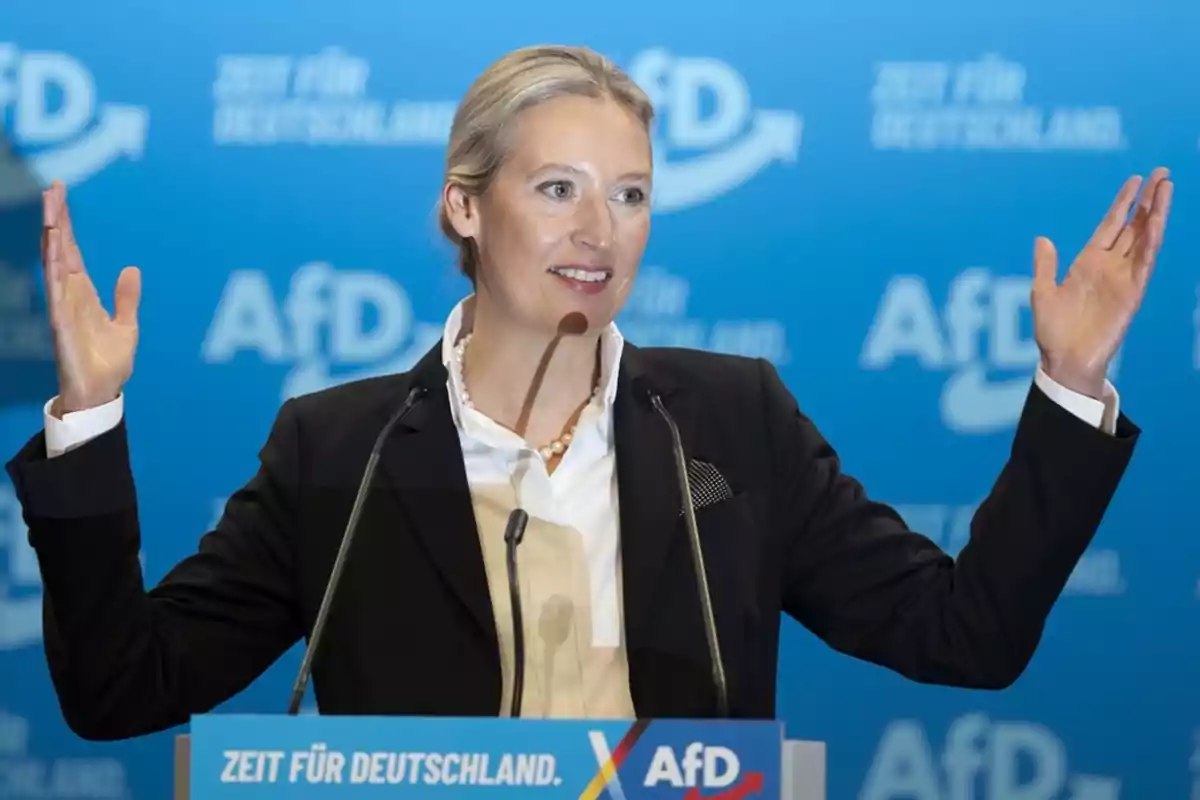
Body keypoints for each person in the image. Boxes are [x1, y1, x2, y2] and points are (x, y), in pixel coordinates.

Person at [5, 44, 1173, 742]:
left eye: (629, 195)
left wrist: (1071, 384)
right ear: (467, 206)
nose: (596, 230)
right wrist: (91, 418)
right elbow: (123, 689)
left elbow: (963, 634)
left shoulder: (732, 421)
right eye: (557, 186)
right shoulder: (339, 448)